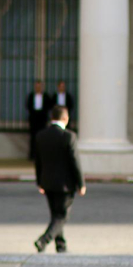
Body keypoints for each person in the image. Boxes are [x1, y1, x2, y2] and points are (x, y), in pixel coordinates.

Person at [33, 105, 85, 253]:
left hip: (48, 183)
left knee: (56, 215)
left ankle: (61, 245)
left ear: (51, 118)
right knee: (62, 216)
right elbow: (75, 162)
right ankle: (43, 240)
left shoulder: (41, 136)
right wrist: (81, 183)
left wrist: (39, 182)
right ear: (65, 118)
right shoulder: (69, 136)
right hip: (65, 185)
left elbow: (38, 162)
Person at [25, 80, 53, 161]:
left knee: (42, 137)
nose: (38, 88)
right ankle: (32, 155)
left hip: (42, 119)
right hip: (33, 119)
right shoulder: (31, 96)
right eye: (37, 86)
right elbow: (28, 106)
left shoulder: (46, 96)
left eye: (39, 86)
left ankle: (42, 155)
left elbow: (49, 106)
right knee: (33, 137)